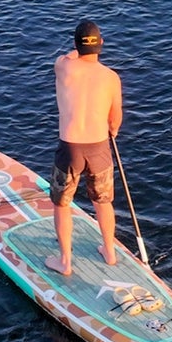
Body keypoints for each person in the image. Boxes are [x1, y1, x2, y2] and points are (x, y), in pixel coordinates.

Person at [44, 20, 124, 277]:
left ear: (76, 45)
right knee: (103, 201)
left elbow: (67, 56)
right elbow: (115, 120)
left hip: (70, 149)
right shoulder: (111, 77)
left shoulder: (64, 68)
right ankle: (109, 251)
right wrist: (112, 130)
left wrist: (76, 50)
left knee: (62, 204)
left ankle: (65, 261)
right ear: (101, 45)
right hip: (99, 148)